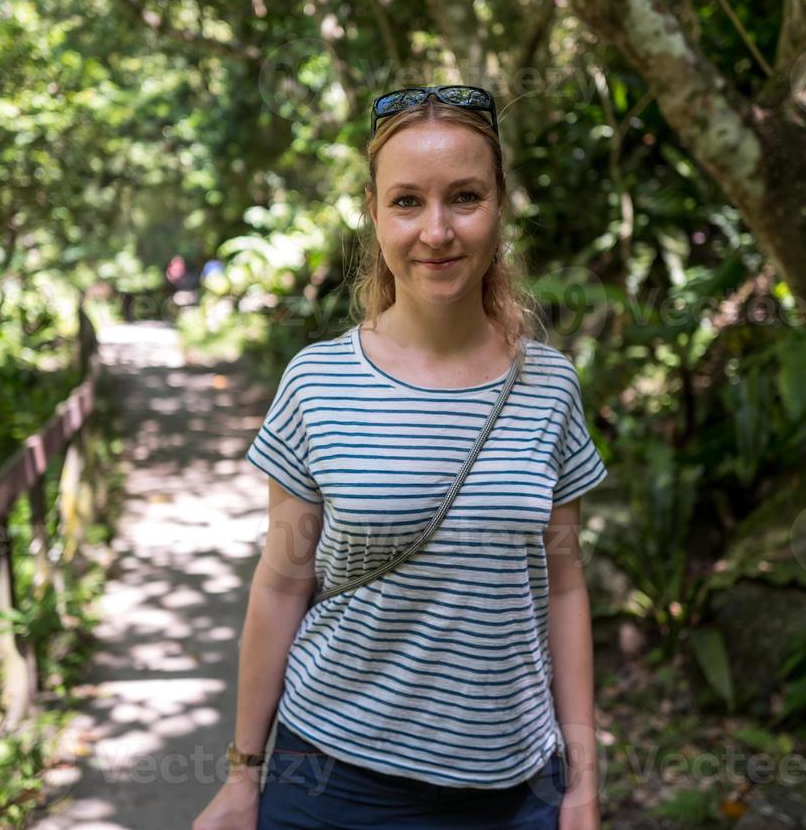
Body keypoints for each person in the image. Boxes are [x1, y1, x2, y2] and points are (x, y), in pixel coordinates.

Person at [192, 85, 609, 830]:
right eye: (408, 201)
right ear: (374, 213)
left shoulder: (550, 384)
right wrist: (242, 777)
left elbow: (567, 587)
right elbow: (282, 585)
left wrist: (581, 783)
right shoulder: (318, 381)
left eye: (466, 197)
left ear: (501, 205)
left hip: (514, 792)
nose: (438, 230)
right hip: (333, 780)